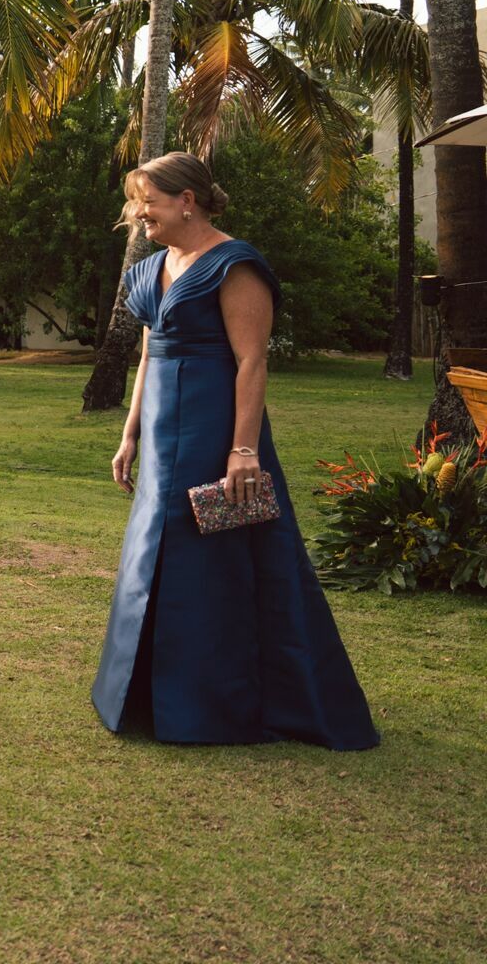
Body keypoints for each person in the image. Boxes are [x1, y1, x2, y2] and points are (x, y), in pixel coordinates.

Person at [91, 152, 378, 750]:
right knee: (152, 552)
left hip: (216, 433)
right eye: (136, 202)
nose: (138, 213)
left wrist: (243, 450)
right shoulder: (151, 268)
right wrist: (130, 432)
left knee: (215, 557)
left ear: (186, 201)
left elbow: (252, 362)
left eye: (148, 202)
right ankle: (143, 695)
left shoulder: (235, 265)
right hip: (161, 438)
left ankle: (216, 704)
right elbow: (149, 355)